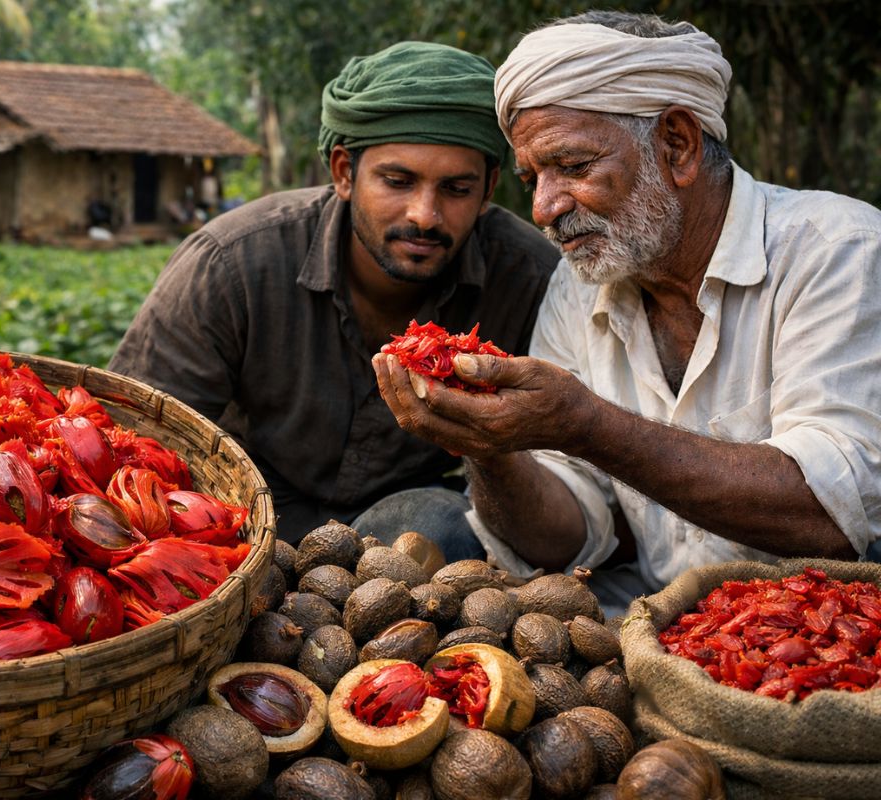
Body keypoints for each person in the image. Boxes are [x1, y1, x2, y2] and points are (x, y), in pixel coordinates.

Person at [373, 11, 881, 614]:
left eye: (573, 167)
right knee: (422, 525)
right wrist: (489, 448)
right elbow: (565, 536)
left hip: (832, 619)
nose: (544, 208)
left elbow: (830, 513)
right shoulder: (580, 283)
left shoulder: (838, 250)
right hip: (657, 616)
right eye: (532, 179)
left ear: (677, 145)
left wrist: (585, 424)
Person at [109, 42, 559, 549]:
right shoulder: (230, 263)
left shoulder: (531, 279)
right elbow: (136, 436)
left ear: (488, 189)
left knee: (442, 524)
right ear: (344, 173)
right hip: (242, 511)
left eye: (456, 189)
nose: (424, 215)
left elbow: (571, 485)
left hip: (401, 529)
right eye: (398, 181)